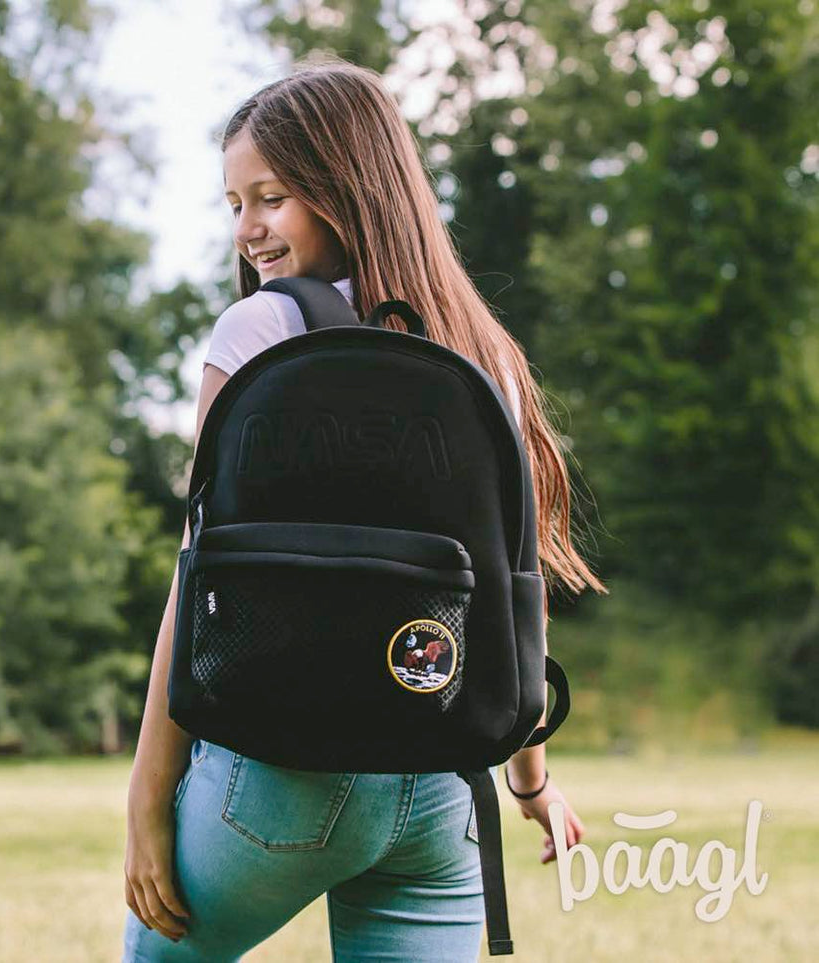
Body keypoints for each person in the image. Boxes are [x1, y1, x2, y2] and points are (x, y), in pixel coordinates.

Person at [121, 56, 605, 962]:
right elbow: (513, 595)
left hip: (281, 781)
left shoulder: (260, 330)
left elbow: (198, 574)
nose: (248, 230)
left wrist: (148, 795)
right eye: (234, 204)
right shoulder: (480, 351)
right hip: (442, 793)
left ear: (345, 184)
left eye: (271, 197)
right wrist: (530, 780)